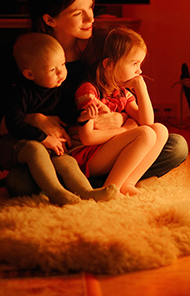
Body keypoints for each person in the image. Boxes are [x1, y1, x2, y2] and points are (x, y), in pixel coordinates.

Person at [0, 0, 188, 196]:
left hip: (101, 147)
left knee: (176, 146)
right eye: (78, 13)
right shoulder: (21, 57)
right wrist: (35, 119)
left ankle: (98, 183)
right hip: (56, 152)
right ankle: (91, 184)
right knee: (21, 182)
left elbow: (118, 99)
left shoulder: (96, 54)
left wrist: (121, 118)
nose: (90, 19)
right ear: (49, 19)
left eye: (91, 8)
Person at [0, 32, 117, 205]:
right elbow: (13, 123)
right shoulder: (21, 93)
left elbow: (65, 114)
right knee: (34, 150)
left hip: (48, 145)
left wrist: (83, 115)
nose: (61, 72)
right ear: (30, 74)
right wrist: (43, 138)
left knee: (66, 160)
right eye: (53, 69)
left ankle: (87, 192)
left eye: (63, 64)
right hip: (16, 145)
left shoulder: (59, 88)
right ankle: (56, 193)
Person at [69, 26, 168, 196]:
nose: (140, 70)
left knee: (160, 130)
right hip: (88, 156)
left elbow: (148, 122)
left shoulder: (121, 91)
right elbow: (87, 138)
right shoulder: (89, 90)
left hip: (107, 150)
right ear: (108, 64)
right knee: (144, 134)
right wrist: (124, 130)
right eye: (134, 63)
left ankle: (127, 183)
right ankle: (110, 188)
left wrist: (140, 87)